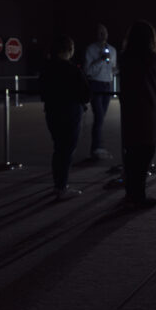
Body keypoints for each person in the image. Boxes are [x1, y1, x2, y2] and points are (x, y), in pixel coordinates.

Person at [119, 20, 156, 209]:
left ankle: (130, 193)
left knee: (131, 155)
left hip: (129, 112)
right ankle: (138, 196)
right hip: (148, 111)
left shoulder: (124, 59)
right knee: (145, 154)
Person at [39, 35, 91, 201]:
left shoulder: (47, 69)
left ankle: (58, 184)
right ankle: (62, 187)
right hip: (70, 112)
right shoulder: (72, 69)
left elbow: (43, 92)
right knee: (67, 150)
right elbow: (86, 93)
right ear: (68, 50)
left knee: (58, 148)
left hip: (52, 111)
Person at [84, 24, 118, 160]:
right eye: (100, 33)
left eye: (105, 32)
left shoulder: (113, 50)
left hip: (107, 85)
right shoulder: (90, 50)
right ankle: (97, 148)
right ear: (96, 35)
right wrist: (100, 60)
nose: (103, 35)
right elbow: (88, 71)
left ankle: (97, 148)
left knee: (101, 117)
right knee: (98, 117)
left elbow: (113, 68)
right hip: (95, 84)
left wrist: (118, 70)